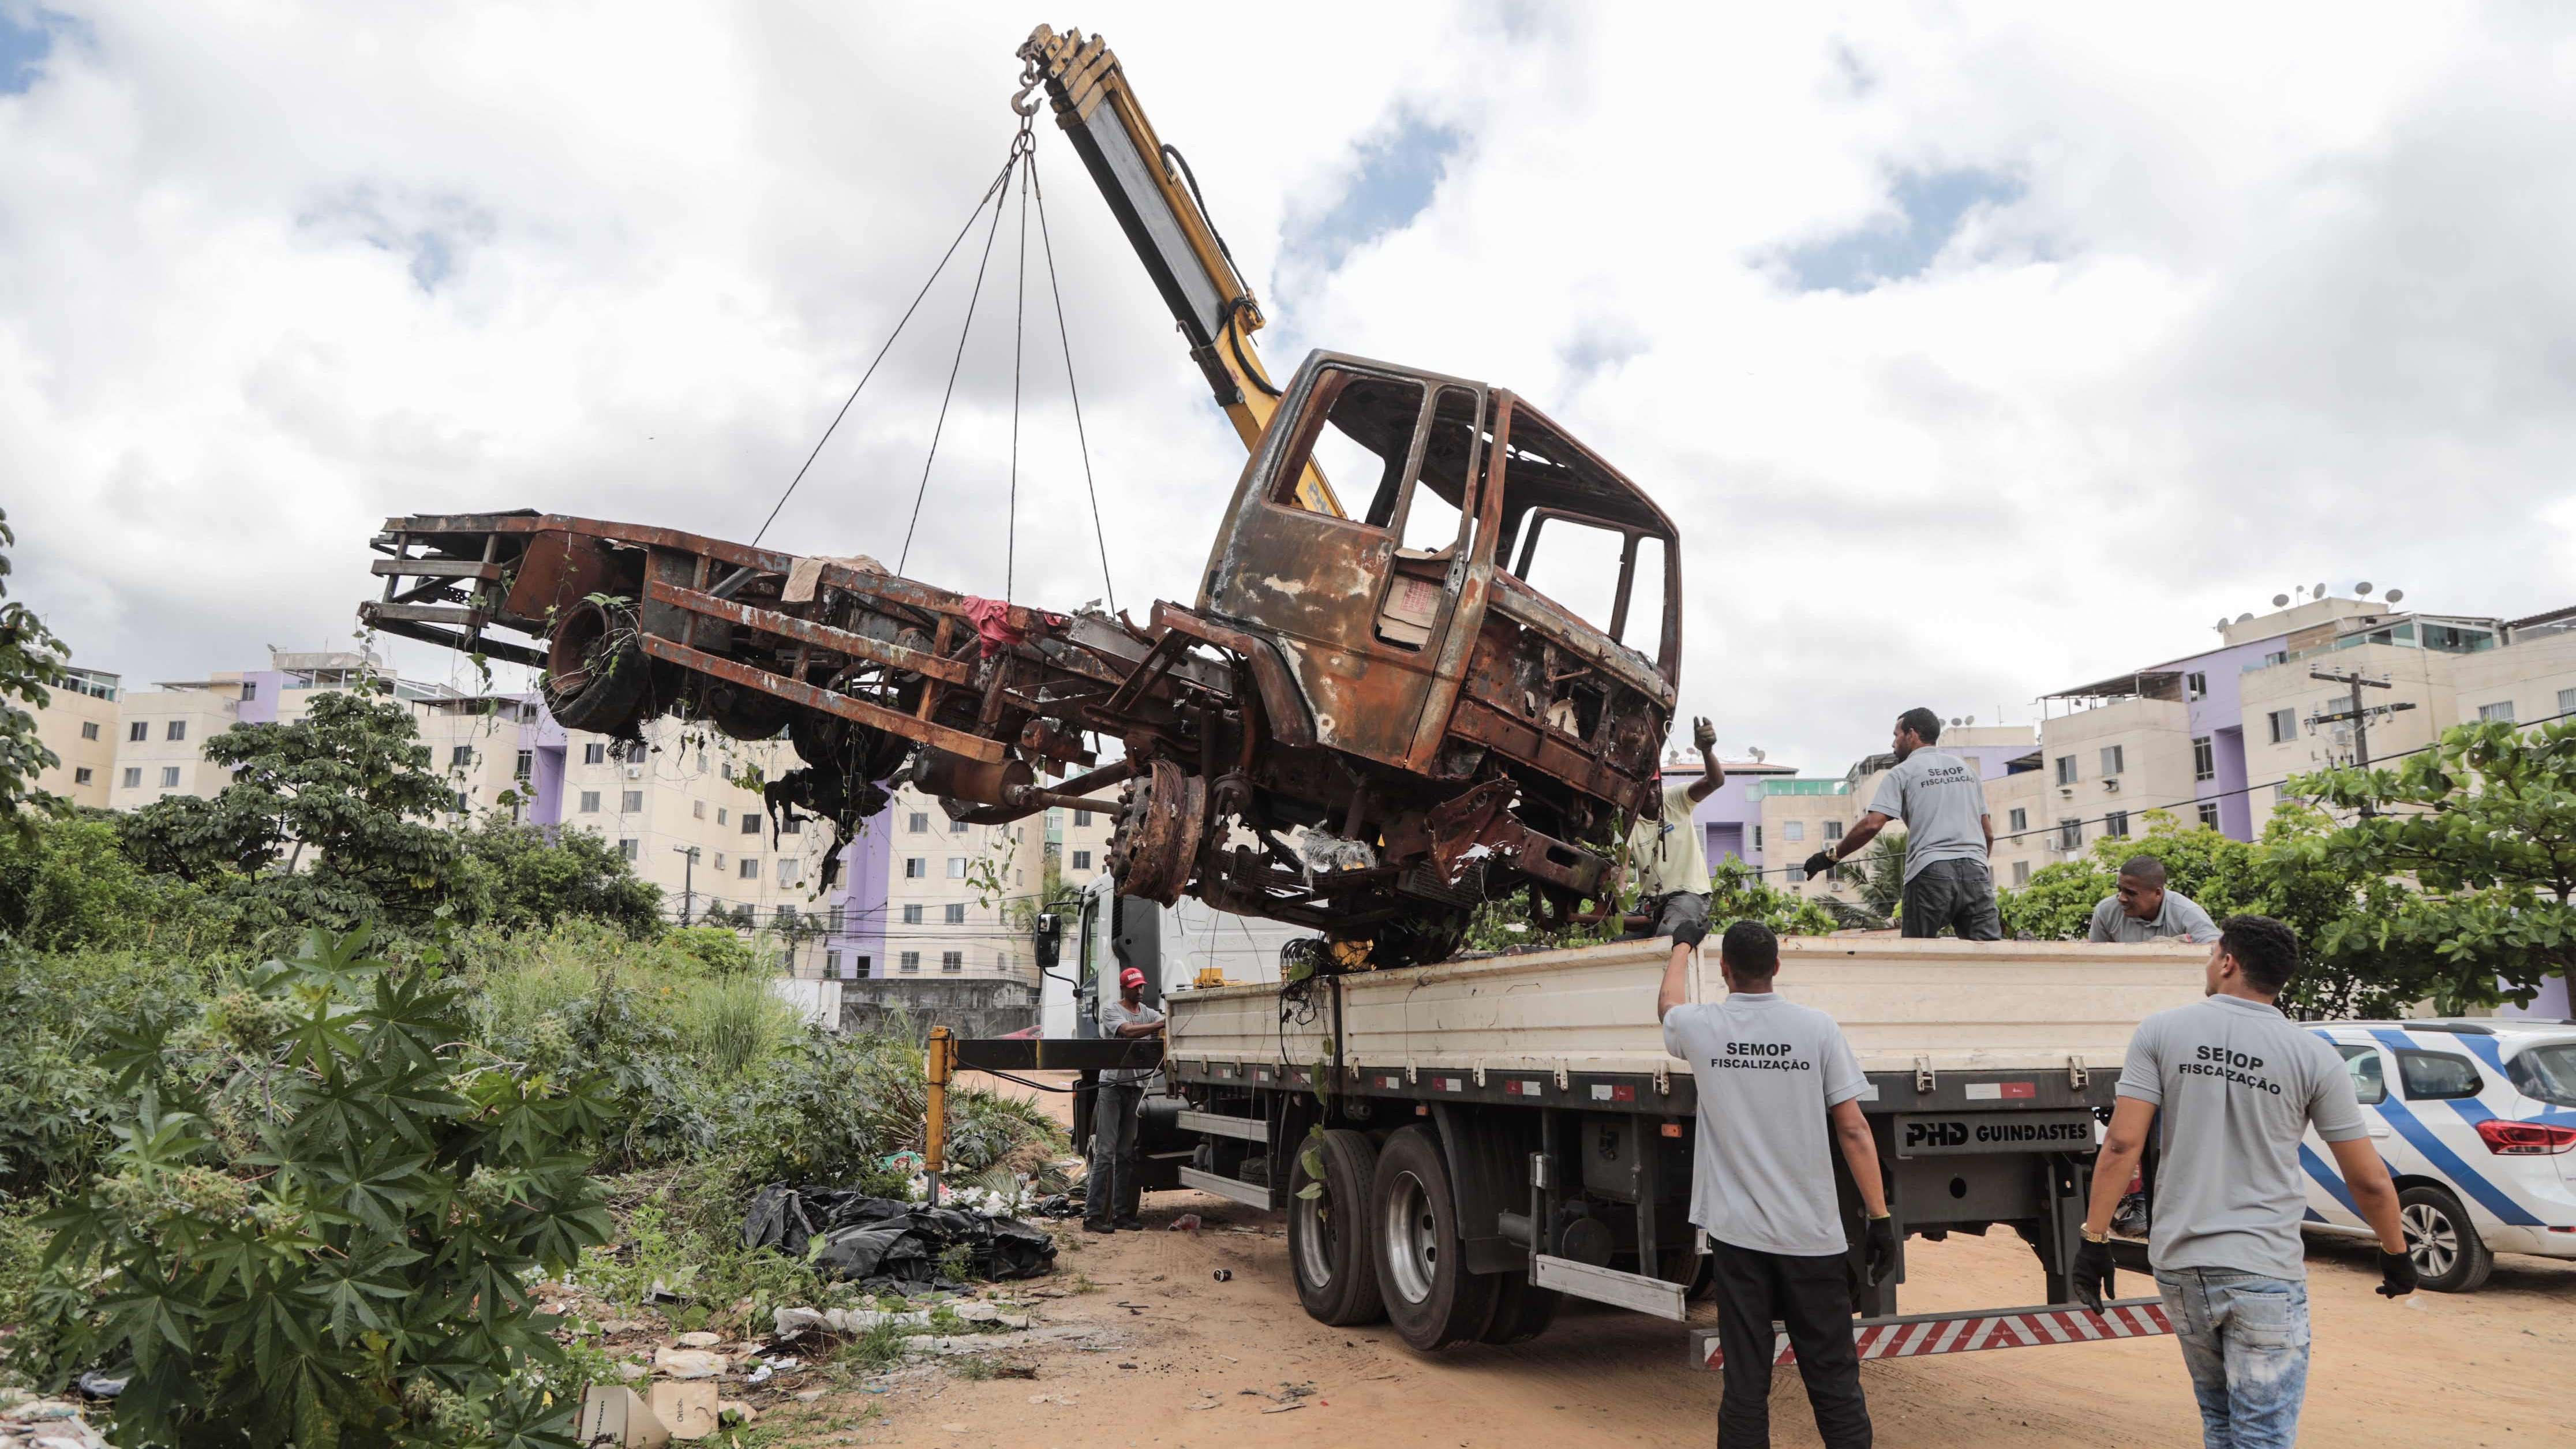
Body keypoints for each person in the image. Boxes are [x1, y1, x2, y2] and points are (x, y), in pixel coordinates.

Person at [2072, 915, 2413, 1448]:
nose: (2209, 965)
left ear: (2228, 962)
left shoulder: (2162, 1031)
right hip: (2263, 1270)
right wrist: (2395, 1250)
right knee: (2263, 1436)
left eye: (2212, 955)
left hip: (2182, 1266)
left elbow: (2120, 1144)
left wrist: (2094, 1239)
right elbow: (2367, 1178)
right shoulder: (2315, 1056)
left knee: (2221, 1422)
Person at [1660, 920, 1894, 1449]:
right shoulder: (1817, 1028)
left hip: (1739, 1237)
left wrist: (1680, 945)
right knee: (1834, 1378)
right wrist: (1879, 1218)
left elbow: (1667, 1006)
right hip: (1812, 1237)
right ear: (1777, 967)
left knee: (1745, 1379)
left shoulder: (1702, 1026)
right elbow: (1854, 1127)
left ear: (1725, 970)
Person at [1803, 707, 1998, 940]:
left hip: (1930, 872)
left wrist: (1830, 858)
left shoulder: (1902, 773)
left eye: (1896, 735)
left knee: (1916, 955)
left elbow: (1872, 825)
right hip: (1976, 870)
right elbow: (1988, 834)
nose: (1893, 743)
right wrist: (1974, 869)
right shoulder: (1968, 771)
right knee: (1989, 954)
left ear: (1911, 735)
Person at [1624, 715, 1725, 973]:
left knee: (1667, 936)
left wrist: (1707, 751)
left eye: (1657, 786)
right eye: (1647, 789)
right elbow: (1621, 868)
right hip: (1650, 900)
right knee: (1619, 944)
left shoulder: (1676, 799)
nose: (1654, 794)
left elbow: (1715, 782)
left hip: (1688, 893)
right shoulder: (1627, 822)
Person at [1084, 965, 1165, 1234]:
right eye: (1136, 987)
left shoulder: (1148, 1012)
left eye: (1142, 987)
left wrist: (1167, 1021)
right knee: (1106, 1153)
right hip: (1113, 1087)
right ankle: (1092, 1216)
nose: (1141, 991)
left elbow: (1165, 1021)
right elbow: (1128, 1032)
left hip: (1135, 1088)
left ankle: (1121, 1214)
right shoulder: (1111, 1010)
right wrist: (1160, 1024)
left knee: (1126, 1154)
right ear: (1124, 988)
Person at [2088, 855, 2222, 943]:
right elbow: (2094, 956)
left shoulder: (2187, 912)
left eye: (2131, 893)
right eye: (2120, 890)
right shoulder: (2106, 911)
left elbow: (2216, 949)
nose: (2122, 898)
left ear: (2158, 893)